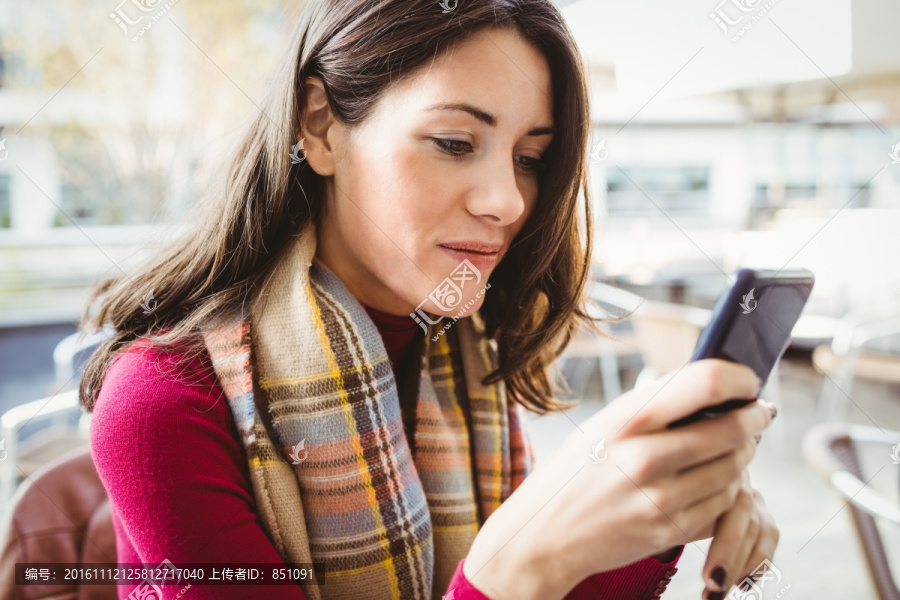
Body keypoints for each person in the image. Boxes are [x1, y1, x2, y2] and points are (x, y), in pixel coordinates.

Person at [80, 1, 778, 599]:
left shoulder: (464, 348)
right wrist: (522, 564)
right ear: (319, 127)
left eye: (530, 158)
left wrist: (643, 520)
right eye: (454, 142)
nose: (507, 201)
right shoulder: (160, 402)